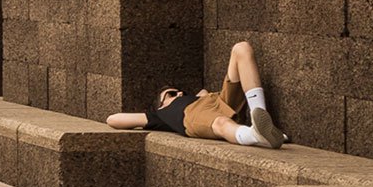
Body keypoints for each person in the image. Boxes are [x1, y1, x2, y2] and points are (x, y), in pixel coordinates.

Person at [105, 39, 286, 148]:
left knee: (241, 48)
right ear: (161, 104)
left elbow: (204, 92)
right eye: (171, 94)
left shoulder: (195, 96)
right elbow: (113, 119)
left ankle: (260, 119)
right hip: (195, 114)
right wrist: (150, 116)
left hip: (219, 100)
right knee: (221, 123)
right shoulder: (160, 115)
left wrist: (201, 95)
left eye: (181, 92)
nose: (179, 93)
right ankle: (255, 136)